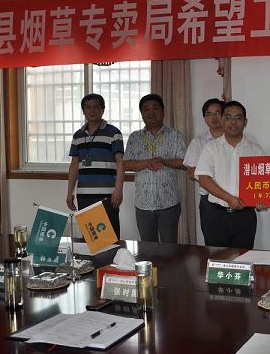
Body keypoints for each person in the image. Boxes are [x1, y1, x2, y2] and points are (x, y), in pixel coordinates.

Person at [195, 101, 266, 249]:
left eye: (238, 118)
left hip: (245, 216)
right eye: (228, 118)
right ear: (222, 120)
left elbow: (264, 182)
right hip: (216, 216)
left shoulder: (255, 150)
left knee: (244, 258)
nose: (233, 122)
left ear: (245, 122)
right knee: (217, 258)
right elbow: (204, 179)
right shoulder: (211, 147)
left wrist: (261, 201)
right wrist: (229, 199)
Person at [124, 94, 187, 243]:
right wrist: (147, 163)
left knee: (169, 248)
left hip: (169, 204)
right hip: (143, 205)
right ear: (142, 114)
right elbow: (125, 164)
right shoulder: (135, 137)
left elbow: (185, 163)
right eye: (146, 109)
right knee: (148, 248)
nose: (151, 112)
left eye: (155, 108)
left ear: (163, 111)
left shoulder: (175, 135)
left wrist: (164, 161)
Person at [66, 93, 124, 238]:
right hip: (84, 196)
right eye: (88, 107)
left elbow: (120, 162)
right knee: (90, 239)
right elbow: (74, 165)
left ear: (102, 110)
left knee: (110, 239)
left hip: (107, 196)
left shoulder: (113, 133)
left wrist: (118, 190)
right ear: (83, 111)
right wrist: (69, 192)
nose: (92, 110)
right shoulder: (78, 135)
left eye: (96, 107)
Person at [183, 98, 224, 241]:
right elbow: (190, 172)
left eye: (218, 112)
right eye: (209, 114)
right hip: (208, 200)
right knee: (213, 244)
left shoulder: (234, 140)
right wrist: (211, 178)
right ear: (204, 118)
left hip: (234, 196)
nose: (214, 117)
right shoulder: (198, 142)